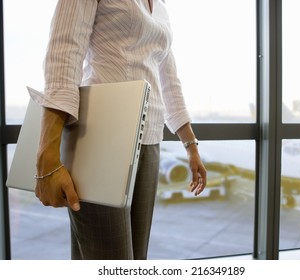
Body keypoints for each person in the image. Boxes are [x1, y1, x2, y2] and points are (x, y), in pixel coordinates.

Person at [30, 0, 207, 260]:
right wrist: (47, 157)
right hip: (102, 136)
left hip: (149, 140)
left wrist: (190, 145)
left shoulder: (160, 5)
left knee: (134, 259)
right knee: (108, 259)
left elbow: (169, 80)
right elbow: (65, 53)